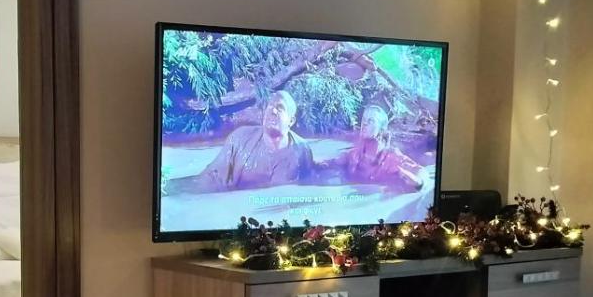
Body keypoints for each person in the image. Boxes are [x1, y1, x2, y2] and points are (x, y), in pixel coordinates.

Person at [180, 90, 316, 192]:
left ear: (291, 121)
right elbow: (213, 176)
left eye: (280, 108)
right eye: (269, 106)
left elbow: (306, 184)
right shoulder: (240, 138)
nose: (273, 111)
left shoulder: (302, 150)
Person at [340, 103, 426, 192]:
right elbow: (334, 164)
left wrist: (419, 182)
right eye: (364, 120)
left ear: (381, 130)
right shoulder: (353, 155)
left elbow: (421, 172)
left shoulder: (392, 157)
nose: (364, 123)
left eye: (370, 121)